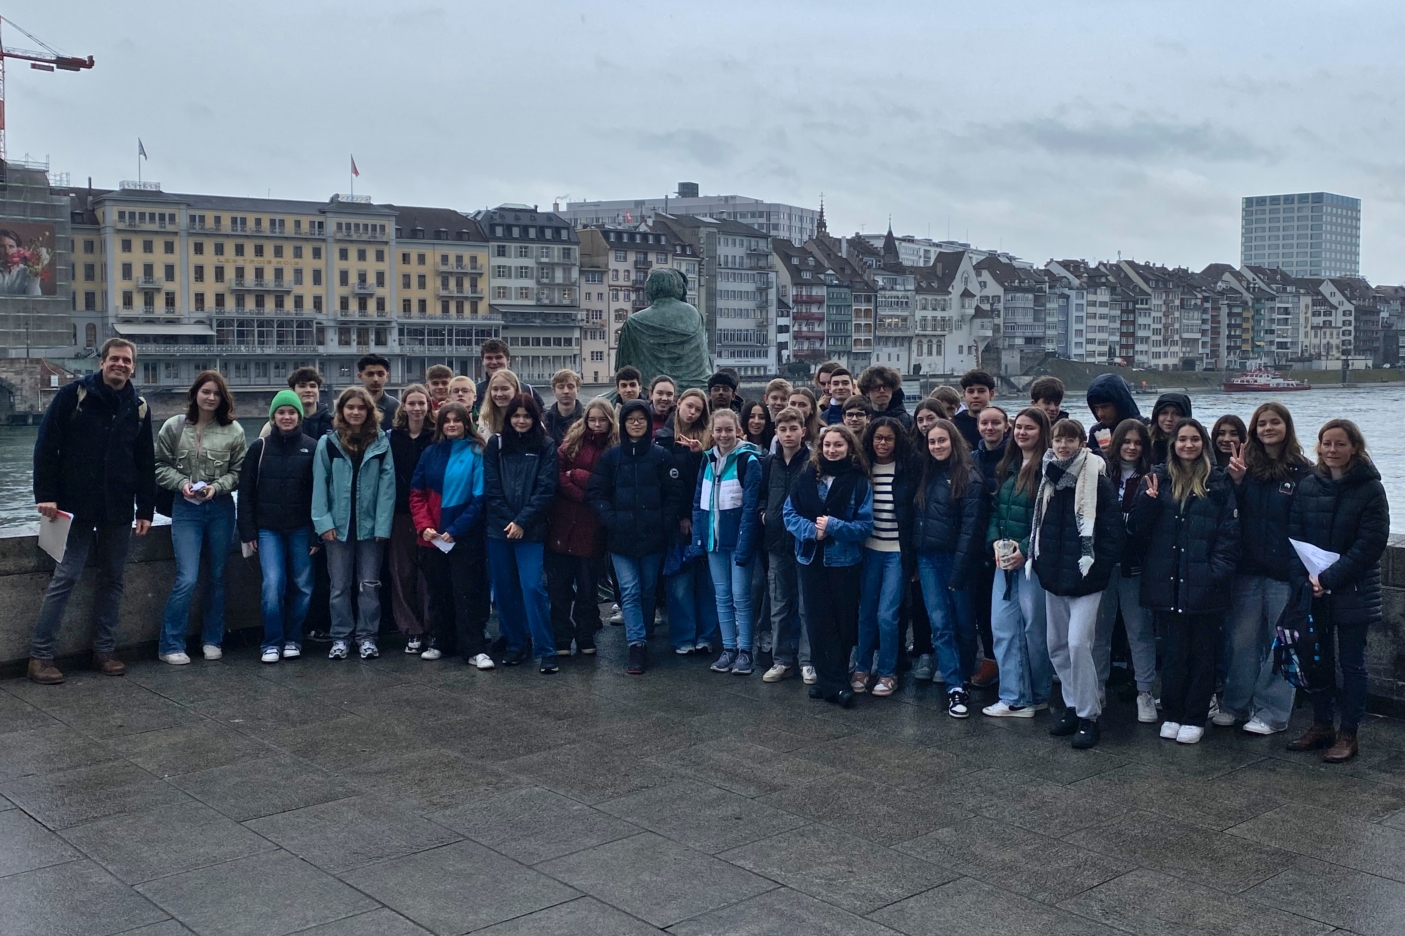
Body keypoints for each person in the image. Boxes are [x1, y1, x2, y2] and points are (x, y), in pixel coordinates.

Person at [27, 339, 154, 684]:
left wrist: (145, 508)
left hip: (117, 505)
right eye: (115, 359)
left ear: (133, 366)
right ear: (102, 362)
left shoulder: (139, 406)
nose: (121, 365)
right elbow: (46, 446)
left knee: (113, 579)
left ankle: (104, 651)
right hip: (74, 504)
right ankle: (40, 655)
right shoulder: (74, 395)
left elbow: (145, 462)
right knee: (66, 576)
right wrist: (46, 494)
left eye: (127, 360)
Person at [1129, 418, 1240, 745]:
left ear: (1203, 443)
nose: (1188, 445)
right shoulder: (1158, 479)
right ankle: (1173, 713)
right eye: (1182, 440)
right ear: (1173, 444)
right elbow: (1137, 530)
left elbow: (1229, 536)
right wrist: (1147, 503)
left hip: (1205, 584)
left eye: (1194, 439)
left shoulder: (1219, 481)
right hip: (1168, 583)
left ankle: (1194, 717)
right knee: (1174, 654)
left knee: (1202, 654)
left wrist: (1213, 572)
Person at [1285, 419, 1389, 763]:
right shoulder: (1308, 486)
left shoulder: (1371, 489)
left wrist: (1328, 578)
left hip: (1353, 589)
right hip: (1314, 588)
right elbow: (1295, 532)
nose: (1332, 450)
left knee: (1352, 663)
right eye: (1326, 443)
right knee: (1318, 661)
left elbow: (1370, 544)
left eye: (1340, 444)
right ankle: (1321, 724)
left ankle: (1349, 733)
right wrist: (1308, 579)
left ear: (1354, 448)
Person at [1031, 418, 1123, 750]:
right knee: (1056, 645)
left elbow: (1112, 534)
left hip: (1086, 577)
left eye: (1071, 439)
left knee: (1077, 645)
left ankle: (1088, 715)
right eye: (1059, 439)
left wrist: (1097, 571)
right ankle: (1072, 705)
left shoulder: (1096, 478)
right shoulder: (1049, 477)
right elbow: (1040, 526)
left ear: (1083, 442)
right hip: (1054, 576)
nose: (1064, 445)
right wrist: (1040, 565)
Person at [1220, 402, 1310, 736]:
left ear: (1287, 427)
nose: (1268, 428)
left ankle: (1273, 712)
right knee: (1241, 641)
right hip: (1247, 570)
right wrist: (1239, 481)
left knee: (1281, 642)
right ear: (1254, 430)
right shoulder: (1245, 468)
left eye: (1275, 423)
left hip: (1284, 574)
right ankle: (1236, 703)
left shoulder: (1303, 472)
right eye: (1261, 424)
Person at [155, 370, 246, 664]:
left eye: (217, 393)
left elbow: (239, 473)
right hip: (185, 510)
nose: (211, 397)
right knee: (187, 577)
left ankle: (212, 639)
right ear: (195, 393)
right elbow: (158, 465)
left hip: (220, 509)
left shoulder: (235, 431)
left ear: (223, 398)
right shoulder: (173, 426)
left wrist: (216, 488)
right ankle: (170, 643)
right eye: (206, 391)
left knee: (218, 576)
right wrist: (181, 484)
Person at [589, 399, 681, 674]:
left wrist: (664, 522)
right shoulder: (612, 457)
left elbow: (674, 494)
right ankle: (636, 644)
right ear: (623, 423)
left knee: (648, 589)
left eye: (642, 419)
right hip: (621, 538)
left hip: (653, 536)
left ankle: (645, 628)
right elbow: (596, 492)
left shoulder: (661, 456)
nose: (637, 423)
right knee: (629, 590)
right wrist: (612, 520)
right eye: (631, 419)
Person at [784, 423, 873, 707]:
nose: (832, 450)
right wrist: (813, 530)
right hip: (811, 557)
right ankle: (831, 682)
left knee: (843, 622)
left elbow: (864, 526)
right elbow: (789, 514)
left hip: (844, 560)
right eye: (827, 445)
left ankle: (834, 681)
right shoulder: (807, 477)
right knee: (817, 620)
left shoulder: (859, 482)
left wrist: (834, 526)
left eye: (838, 445)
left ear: (850, 448)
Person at [313, 387, 396, 661]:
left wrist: (383, 527)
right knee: (339, 586)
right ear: (342, 411)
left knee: (369, 584)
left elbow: (388, 487)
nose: (356, 412)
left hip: (370, 527)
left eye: (361, 408)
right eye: (350, 408)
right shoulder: (329, 443)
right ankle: (340, 637)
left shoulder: (381, 442)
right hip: (337, 527)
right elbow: (320, 486)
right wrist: (323, 523)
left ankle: (367, 637)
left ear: (369, 411)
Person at [912, 418, 988, 717]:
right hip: (928, 558)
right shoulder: (924, 474)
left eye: (942, 440)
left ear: (953, 441)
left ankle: (965, 673)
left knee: (965, 625)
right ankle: (955, 686)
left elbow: (971, 530)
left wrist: (959, 570)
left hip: (959, 560)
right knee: (940, 623)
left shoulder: (969, 478)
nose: (937, 446)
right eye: (932, 442)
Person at [409, 402, 493, 669]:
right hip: (432, 537)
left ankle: (475, 648)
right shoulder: (430, 453)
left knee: (467, 592)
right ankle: (441, 642)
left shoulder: (476, 451)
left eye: (457, 420)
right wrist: (424, 526)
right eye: (447, 421)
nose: (452, 425)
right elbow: (417, 493)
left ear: (466, 422)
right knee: (438, 591)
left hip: (463, 536)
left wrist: (455, 530)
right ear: (440, 424)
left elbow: (480, 498)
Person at [238, 390, 317, 664]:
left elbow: (319, 493)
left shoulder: (313, 447)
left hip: (301, 528)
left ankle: (293, 637)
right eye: (281, 412)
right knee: (272, 583)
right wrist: (248, 532)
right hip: (268, 529)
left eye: (292, 412)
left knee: (303, 585)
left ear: (299, 416)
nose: (286, 417)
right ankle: (271, 641)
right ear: (273, 416)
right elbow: (245, 493)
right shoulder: (258, 448)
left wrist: (317, 534)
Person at [983, 407, 1052, 717]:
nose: (1023, 433)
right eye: (1020, 427)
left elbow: (1049, 520)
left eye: (1031, 428)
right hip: (1005, 559)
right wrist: (996, 541)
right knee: (1003, 627)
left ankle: (1038, 694)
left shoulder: (1049, 469)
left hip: (1033, 563)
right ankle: (1013, 695)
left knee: (1035, 630)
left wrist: (1025, 548)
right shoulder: (1007, 465)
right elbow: (996, 510)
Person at [484, 394, 559, 673]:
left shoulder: (546, 445)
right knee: (505, 590)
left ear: (535, 417)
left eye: (527, 415)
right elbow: (491, 487)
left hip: (531, 530)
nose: (521, 420)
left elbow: (546, 488)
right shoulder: (497, 444)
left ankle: (546, 649)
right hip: (499, 530)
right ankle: (516, 643)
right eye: (516, 415)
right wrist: (509, 522)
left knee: (532, 588)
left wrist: (522, 522)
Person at [1095, 418, 1159, 725]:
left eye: (1137, 443)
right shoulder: (1101, 473)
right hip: (1102, 565)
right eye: (1126, 442)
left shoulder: (1152, 476)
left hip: (1134, 566)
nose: (1131, 448)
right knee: (1099, 632)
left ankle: (1145, 691)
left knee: (1140, 632)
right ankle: (1096, 686)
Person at [695, 408, 764, 675]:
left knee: (741, 597)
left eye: (728, 429)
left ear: (738, 430)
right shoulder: (707, 460)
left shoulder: (749, 460)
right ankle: (728, 648)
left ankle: (746, 650)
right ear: (712, 433)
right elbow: (697, 499)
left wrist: (746, 542)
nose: (723, 435)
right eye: (718, 430)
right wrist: (700, 538)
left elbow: (749, 507)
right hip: (714, 539)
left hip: (738, 540)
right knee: (721, 596)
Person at [852, 417, 916, 697]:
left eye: (888, 438)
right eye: (878, 437)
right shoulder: (863, 467)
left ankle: (888, 672)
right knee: (865, 613)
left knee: (887, 615)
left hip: (896, 552)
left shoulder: (907, 469)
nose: (882, 443)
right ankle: (863, 667)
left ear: (897, 441)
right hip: (868, 549)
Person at [548, 399, 616, 657]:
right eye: (592, 419)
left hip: (592, 527)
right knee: (559, 589)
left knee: (588, 590)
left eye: (602, 420)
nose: (596, 425)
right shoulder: (571, 443)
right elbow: (558, 477)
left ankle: (585, 635)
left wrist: (577, 475)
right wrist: (586, 492)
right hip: (563, 524)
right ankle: (562, 637)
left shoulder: (613, 448)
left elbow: (606, 484)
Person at [657, 388, 719, 655]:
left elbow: (705, 479)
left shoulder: (707, 440)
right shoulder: (662, 438)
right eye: (689, 406)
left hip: (704, 517)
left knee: (706, 581)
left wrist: (698, 453)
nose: (692, 413)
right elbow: (668, 484)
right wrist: (681, 516)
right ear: (678, 404)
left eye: (698, 410)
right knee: (680, 579)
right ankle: (683, 635)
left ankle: (706, 635)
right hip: (676, 519)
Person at [761, 407, 811, 684]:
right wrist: (762, 512)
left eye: (793, 429)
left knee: (806, 605)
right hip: (776, 543)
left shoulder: (813, 461)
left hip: (804, 543)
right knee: (779, 604)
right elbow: (759, 494)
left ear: (803, 431)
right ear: (776, 433)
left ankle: (807, 660)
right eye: (783, 429)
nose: (788, 434)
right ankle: (781, 660)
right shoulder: (769, 463)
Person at [387, 384, 435, 652]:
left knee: (428, 573)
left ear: (428, 406)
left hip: (431, 515)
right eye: (412, 403)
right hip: (400, 513)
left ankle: (431, 625)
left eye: (422, 403)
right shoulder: (391, 437)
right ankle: (411, 629)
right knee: (402, 572)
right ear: (403, 406)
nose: (417, 408)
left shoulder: (436, 437)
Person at [1084, 373, 1142, 456]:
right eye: (1096, 408)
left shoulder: (1144, 427)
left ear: (1120, 404)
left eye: (1105, 407)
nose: (1100, 414)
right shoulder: (1096, 431)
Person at [476, 338, 544, 407]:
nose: (494, 362)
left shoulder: (528, 391)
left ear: (508, 359)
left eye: (498, 357)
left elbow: (542, 416)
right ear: (483, 361)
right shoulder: (475, 392)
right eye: (489, 358)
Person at [952, 369, 995, 451]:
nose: (975, 396)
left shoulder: (1002, 423)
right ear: (964, 395)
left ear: (991, 394)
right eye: (971, 391)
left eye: (981, 391)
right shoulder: (954, 424)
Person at [858, 365, 912, 430]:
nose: (882, 391)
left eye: (886, 386)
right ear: (866, 392)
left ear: (893, 389)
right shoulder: (860, 421)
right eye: (876, 387)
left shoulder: (909, 421)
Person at [357, 353, 399, 431]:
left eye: (380, 374)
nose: (375, 379)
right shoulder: (351, 406)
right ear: (360, 376)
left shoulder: (396, 407)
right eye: (370, 374)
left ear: (387, 376)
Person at [290, 367, 334, 439]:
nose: (308, 390)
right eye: (302, 386)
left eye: (313, 386)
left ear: (318, 390)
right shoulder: (285, 421)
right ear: (293, 390)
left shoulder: (331, 422)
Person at [1148, 393, 1192, 465]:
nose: (1169, 419)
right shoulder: (1146, 440)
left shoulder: (1197, 441)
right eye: (1164, 413)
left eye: (1176, 414)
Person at [544, 368, 583, 444]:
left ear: (577, 389)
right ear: (553, 391)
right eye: (561, 387)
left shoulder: (587, 419)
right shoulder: (545, 421)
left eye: (570, 386)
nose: (566, 391)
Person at [480, 368, 521, 436]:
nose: (499, 394)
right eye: (495, 389)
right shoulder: (485, 418)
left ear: (515, 390)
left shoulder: (527, 416)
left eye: (505, 389)